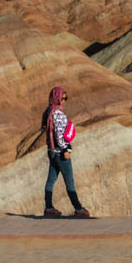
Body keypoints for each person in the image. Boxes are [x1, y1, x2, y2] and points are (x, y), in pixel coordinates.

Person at [41, 86, 90, 218]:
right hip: (61, 153)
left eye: (65, 98)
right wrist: (65, 149)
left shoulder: (48, 111)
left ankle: (48, 208)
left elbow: (46, 131)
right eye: (63, 97)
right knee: (69, 181)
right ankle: (79, 209)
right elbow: (58, 134)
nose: (64, 100)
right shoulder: (57, 113)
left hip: (52, 151)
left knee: (51, 180)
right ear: (57, 97)